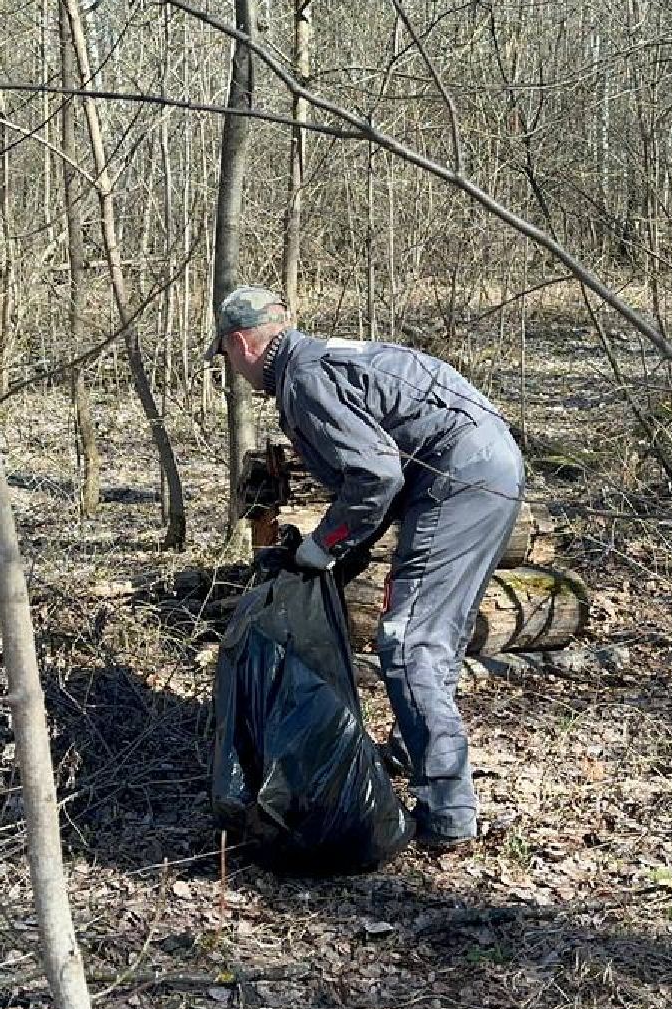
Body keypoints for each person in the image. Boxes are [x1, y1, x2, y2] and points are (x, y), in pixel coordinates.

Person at [211, 285, 524, 848]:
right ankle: (413, 754)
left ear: (241, 343)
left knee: (407, 642)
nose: (232, 368)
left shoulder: (304, 380)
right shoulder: (322, 358)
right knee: (435, 635)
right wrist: (338, 557)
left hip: (462, 478)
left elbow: (376, 478)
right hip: (487, 464)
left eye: (227, 355)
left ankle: (448, 811)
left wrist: (324, 545)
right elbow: (386, 468)